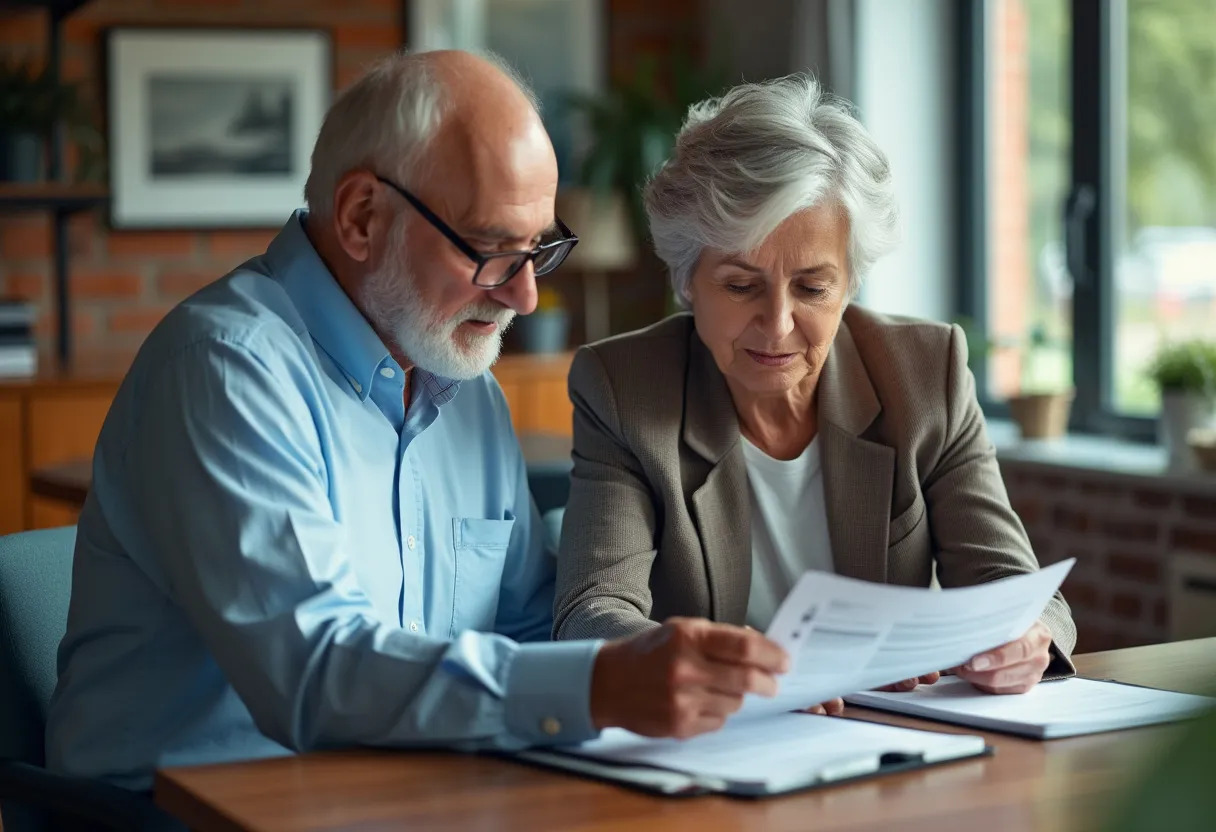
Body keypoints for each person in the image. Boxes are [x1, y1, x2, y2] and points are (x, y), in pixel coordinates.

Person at [45, 51, 791, 794]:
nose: (525, 298)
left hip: (400, 800)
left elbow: (528, 629)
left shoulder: (466, 390)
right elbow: (315, 673)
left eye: (539, 251)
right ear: (362, 217)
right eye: (493, 251)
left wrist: (691, 673)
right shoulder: (225, 369)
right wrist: (601, 684)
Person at [553, 74, 1077, 697]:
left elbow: (1012, 584)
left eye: (812, 288)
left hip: (893, 739)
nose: (777, 325)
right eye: (741, 286)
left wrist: (1025, 638)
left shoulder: (925, 374)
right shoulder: (625, 387)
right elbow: (591, 613)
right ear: (688, 279)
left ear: (851, 284)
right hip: (717, 747)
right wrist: (727, 672)